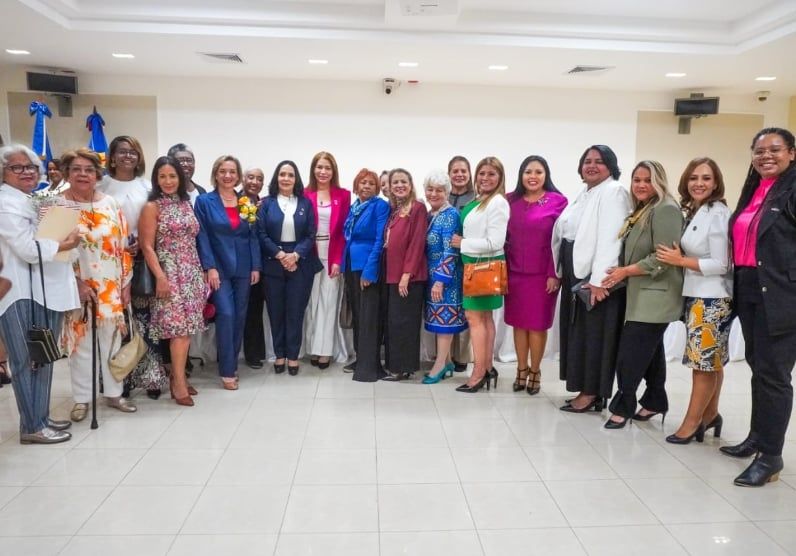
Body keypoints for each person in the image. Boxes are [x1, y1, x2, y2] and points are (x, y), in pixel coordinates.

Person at [721, 127, 796, 487]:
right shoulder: (756, 188)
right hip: (749, 288)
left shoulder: (793, 187)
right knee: (757, 367)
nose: (766, 156)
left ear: (792, 153)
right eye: (759, 151)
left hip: (781, 295)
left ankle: (771, 456)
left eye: (775, 149)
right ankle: (757, 437)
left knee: (774, 375)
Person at [0, 144, 80, 443]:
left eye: (32, 167)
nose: (27, 172)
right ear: (4, 172)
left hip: (42, 290)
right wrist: (63, 244)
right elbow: (25, 249)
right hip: (16, 292)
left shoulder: (33, 199)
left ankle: (41, 417)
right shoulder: (5, 203)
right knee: (24, 360)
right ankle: (31, 426)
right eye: (17, 167)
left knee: (44, 355)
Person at [602, 161, 684, 429]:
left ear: (659, 181)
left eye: (647, 180)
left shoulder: (666, 209)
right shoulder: (644, 209)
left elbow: (664, 259)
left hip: (657, 293)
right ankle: (655, 400)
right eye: (636, 179)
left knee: (631, 352)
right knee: (651, 350)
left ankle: (623, 405)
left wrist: (625, 271)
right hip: (641, 292)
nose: (640, 185)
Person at [656, 158, 732, 443]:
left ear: (716, 183)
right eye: (694, 178)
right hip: (697, 294)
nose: (699, 183)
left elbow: (722, 263)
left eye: (706, 178)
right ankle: (711, 415)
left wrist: (680, 260)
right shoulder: (696, 210)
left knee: (702, 365)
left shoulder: (718, 213)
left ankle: (692, 423)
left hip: (711, 297)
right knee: (712, 362)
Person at [552, 145, 632, 412]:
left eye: (599, 161)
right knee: (579, 333)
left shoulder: (614, 192)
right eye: (587, 161)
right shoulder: (586, 192)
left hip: (596, 276)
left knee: (595, 334)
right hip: (577, 267)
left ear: (611, 165)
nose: (592, 165)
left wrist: (599, 280)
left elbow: (613, 238)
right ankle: (583, 386)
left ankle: (592, 393)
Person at [62, 148, 137, 420]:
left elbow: (124, 245)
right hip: (76, 286)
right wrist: (76, 283)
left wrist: (126, 283)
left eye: (89, 170)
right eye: (76, 169)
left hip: (110, 286)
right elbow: (52, 252)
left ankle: (114, 394)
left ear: (97, 174)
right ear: (67, 173)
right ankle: (82, 399)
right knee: (80, 344)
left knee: (112, 341)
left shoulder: (110, 204)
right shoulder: (58, 205)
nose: (83, 174)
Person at [138, 156, 206, 406]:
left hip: (191, 272)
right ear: (156, 179)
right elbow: (147, 246)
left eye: (172, 176)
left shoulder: (186, 203)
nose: (167, 181)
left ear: (180, 178)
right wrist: (160, 277)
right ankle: (177, 382)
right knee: (177, 331)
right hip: (169, 272)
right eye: (162, 176)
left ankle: (179, 377)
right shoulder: (152, 207)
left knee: (187, 331)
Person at [99, 136, 162, 399]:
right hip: (107, 265)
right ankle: (117, 381)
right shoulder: (101, 186)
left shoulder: (147, 186)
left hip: (141, 262)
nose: (128, 156)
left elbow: (156, 223)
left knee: (145, 322)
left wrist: (141, 243)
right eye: (122, 152)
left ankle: (150, 377)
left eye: (133, 152)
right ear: (112, 157)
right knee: (117, 324)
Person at [195, 155, 261, 390]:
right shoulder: (205, 201)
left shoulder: (246, 201)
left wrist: (255, 266)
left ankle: (230, 363)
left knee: (240, 317)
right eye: (223, 171)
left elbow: (252, 235)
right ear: (216, 174)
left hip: (244, 267)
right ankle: (226, 370)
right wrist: (209, 267)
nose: (228, 176)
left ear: (238, 175)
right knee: (227, 314)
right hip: (219, 268)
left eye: (232, 171)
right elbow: (201, 236)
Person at [505, 155, 568, 395]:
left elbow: (561, 242)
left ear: (546, 175)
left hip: (543, 276)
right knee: (518, 324)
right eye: (528, 172)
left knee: (537, 325)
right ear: (521, 175)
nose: (533, 176)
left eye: (538, 172)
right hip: (514, 274)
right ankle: (521, 370)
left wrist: (555, 274)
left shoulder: (558, 201)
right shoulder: (510, 200)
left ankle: (535, 370)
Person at [256, 161, 321, 376]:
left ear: (296, 179)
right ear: (276, 178)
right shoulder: (266, 204)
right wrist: (280, 254)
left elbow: (311, 234)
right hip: (273, 261)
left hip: (300, 262)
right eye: (282, 174)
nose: (286, 178)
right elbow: (262, 233)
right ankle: (280, 355)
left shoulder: (305, 203)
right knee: (276, 312)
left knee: (295, 312)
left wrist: (295, 255)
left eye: (290, 175)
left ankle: (293, 356)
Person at [450, 156, 510, 392]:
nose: (485, 178)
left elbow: (496, 242)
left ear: (500, 178)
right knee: (484, 319)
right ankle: (487, 367)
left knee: (476, 320)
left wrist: (462, 243)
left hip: (483, 268)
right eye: (482, 174)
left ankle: (477, 373)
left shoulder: (497, 203)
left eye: (491, 174)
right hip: (474, 266)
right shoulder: (480, 200)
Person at [341, 169, 390, 382]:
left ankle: (369, 366)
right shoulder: (355, 206)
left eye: (371, 183)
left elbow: (380, 239)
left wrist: (370, 270)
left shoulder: (379, 205)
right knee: (359, 315)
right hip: (351, 264)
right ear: (356, 185)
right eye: (363, 182)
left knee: (369, 316)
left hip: (367, 266)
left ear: (377, 187)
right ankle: (361, 357)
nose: (367, 186)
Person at [304, 152, 351, 368]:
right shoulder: (305, 194)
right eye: (319, 167)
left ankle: (325, 351)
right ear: (313, 169)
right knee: (312, 304)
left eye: (327, 168)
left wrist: (338, 260)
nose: (323, 172)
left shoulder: (343, 195)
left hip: (332, 254)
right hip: (310, 255)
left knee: (329, 302)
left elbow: (343, 231)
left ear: (334, 171)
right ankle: (312, 348)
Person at [381, 168, 428, 381]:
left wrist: (407, 274)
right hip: (392, 275)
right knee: (396, 322)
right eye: (395, 182)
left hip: (409, 278)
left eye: (403, 181)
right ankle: (399, 366)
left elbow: (417, 242)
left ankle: (402, 368)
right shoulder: (394, 211)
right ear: (389, 187)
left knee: (404, 323)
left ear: (410, 184)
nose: (399, 185)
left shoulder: (417, 208)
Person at [422, 170, 467, 384]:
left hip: (446, 279)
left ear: (447, 192)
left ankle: (439, 366)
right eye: (430, 189)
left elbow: (451, 251)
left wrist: (440, 280)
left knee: (444, 323)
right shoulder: (433, 214)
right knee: (437, 320)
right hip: (432, 276)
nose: (433, 194)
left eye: (439, 190)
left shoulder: (450, 215)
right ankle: (447, 361)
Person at [447, 155, 475, 373]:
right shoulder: (442, 195)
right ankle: (444, 353)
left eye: (463, 171)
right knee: (448, 304)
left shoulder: (476, 198)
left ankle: (462, 355)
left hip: (467, 259)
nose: (459, 174)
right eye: (455, 171)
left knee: (466, 308)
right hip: (445, 261)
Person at [241, 167, 267, 368]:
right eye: (251, 177)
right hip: (240, 263)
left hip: (262, 264)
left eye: (259, 179)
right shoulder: (234, 201)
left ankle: (255, 354)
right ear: (243, 178)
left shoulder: (264, 203)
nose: (254, 181)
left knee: (255, 310)